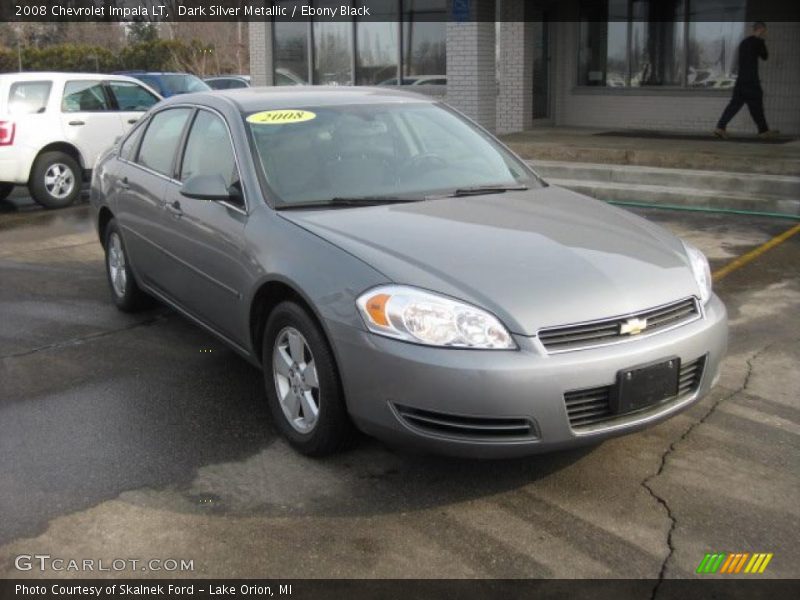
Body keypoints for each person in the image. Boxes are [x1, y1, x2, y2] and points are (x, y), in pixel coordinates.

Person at [714, 22, 779, 139]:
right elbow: (765, 56)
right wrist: (762, 41)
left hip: (741, 81)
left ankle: (720, 127)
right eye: (765, 31)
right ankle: (763, 131)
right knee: (757, 105)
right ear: (761, 30)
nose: (766, 33)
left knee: (734, 105)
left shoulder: (743, 43)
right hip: (752, 81)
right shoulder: (759, 42)